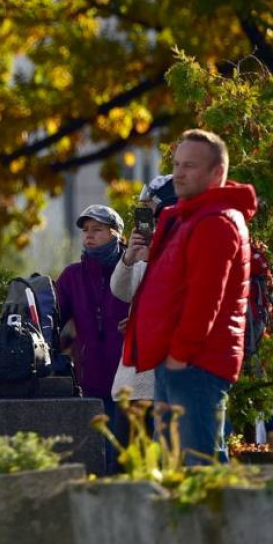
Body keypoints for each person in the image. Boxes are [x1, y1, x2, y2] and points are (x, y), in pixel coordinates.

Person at [123, 129, 257, 465]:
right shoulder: (191, 217)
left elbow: (204, 302)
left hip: (195, 364)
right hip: (180, 363)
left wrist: (178, 357)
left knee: (201, 468)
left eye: (190, 166)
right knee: (177, 469)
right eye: (177, 164)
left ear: (216, 173)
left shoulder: (215, 222)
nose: (178, 173)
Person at [56, 204, 130, 470]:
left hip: (131, 376)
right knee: (98, 454)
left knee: (126, 454)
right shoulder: (72, 275)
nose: (89, 235)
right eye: (86, 230)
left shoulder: (135, 269)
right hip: (92, 377)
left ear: (117, 235)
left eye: (97, 230)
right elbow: (55, 320)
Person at [109, 175, 177, 460]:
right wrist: (129, 258)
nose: (146, 219)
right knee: (124, 463)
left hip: (166, 378)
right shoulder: (143, 249)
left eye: (150, 210)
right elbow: (121, 292)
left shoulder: (181, 243)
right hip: (133, 378)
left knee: (162, 460)